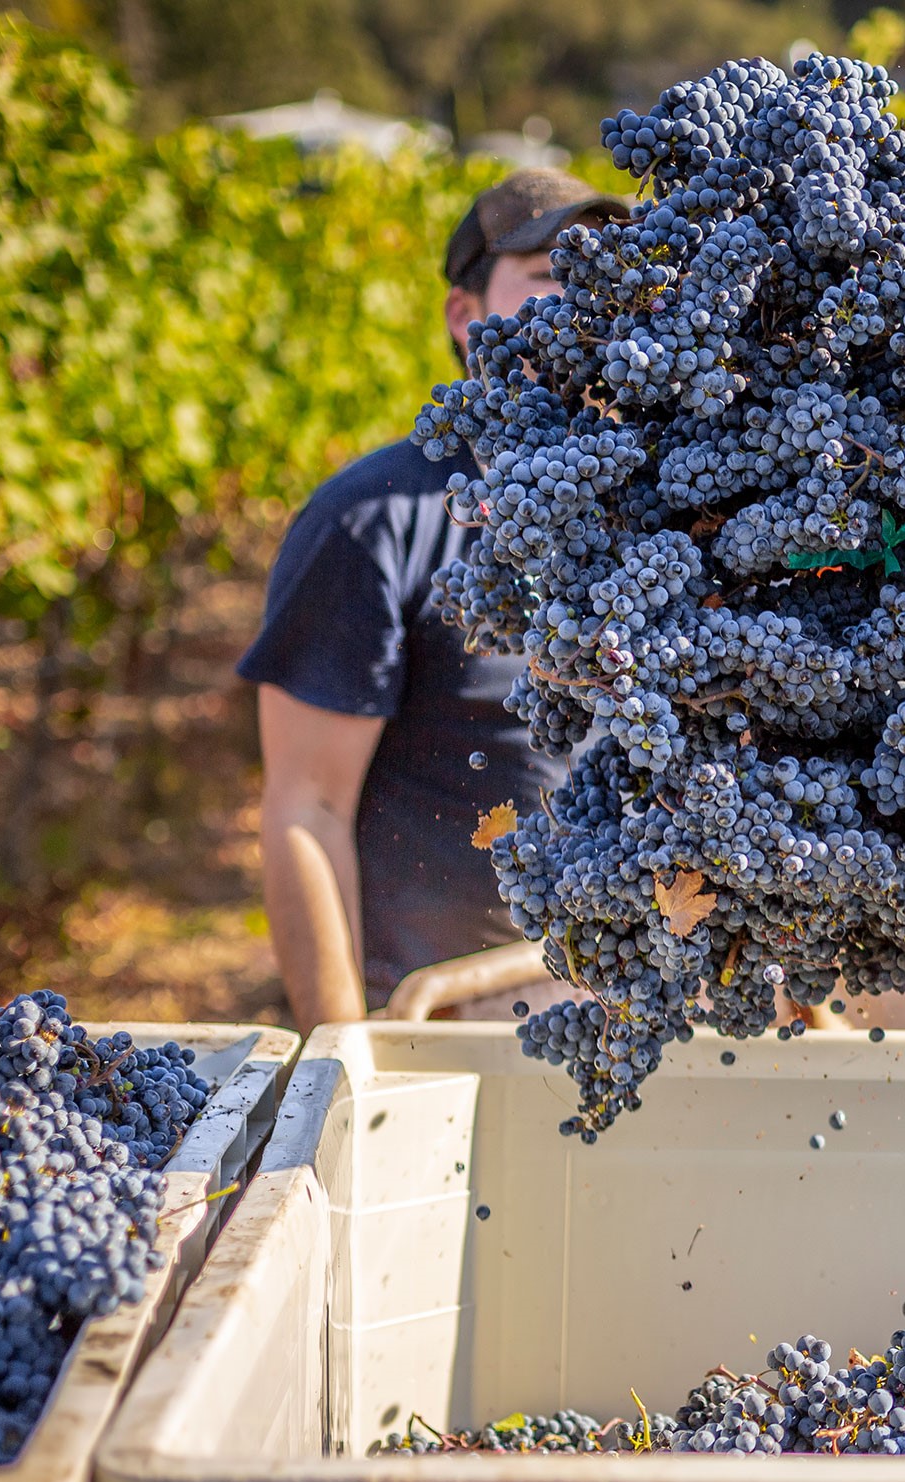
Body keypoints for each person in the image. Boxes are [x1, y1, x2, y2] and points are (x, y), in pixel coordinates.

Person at [238, 169, 628, 1032]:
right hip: (446, 1027)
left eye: (609, 281)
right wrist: (345, 1060)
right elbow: (308, 808)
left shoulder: (664, 518)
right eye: (550, 279)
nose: (587, 306)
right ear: (467, 317)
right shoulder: (373, 521)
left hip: (645, 1021)